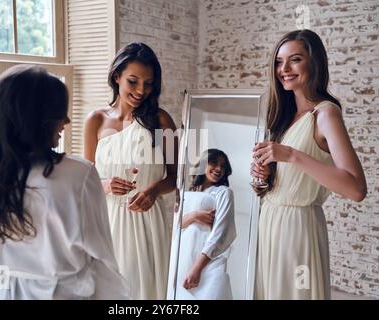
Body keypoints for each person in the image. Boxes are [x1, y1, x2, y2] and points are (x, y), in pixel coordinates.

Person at [0, 65, 128, 300]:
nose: (67, 120)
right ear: (37, 119)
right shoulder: (78, 176)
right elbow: (103, 262)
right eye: (59, 112)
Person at [251, 29, 367, 300]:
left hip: (298, 230)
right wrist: (267, 175)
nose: (284, 69)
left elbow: (356, 189)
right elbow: (290, 178)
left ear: (314, 63)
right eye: (279, 62)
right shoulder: (284, 115)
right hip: (268, 224)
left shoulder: (326, 114)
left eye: (295, 59)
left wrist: (291, 155)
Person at [84, 42, 178, 299]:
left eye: (148, 84)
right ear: (117, 77)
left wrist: (155, 189)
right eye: (133, 82)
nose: (141, 91)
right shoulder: (95, 120)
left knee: (145, 291)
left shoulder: (161, 120)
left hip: (148, 220)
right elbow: (86, 179)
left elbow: (174, 177)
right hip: (108, 221)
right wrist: (104, 185)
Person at [167, 149, 236, 300]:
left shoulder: (223, 192)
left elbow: (221, 233)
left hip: (206, 262)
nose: (218, 168)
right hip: (181, 257)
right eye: (214, 163)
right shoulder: (184, 192)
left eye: (223, 166)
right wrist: (194, 216)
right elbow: (172, 227)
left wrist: (197, 269)